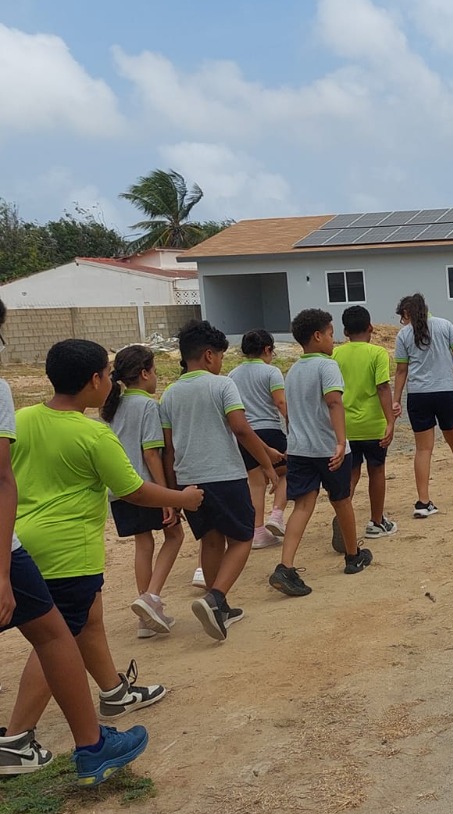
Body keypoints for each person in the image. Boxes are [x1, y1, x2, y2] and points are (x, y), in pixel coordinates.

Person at [3, 338, 205, 762]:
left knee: (88, 621)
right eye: (109, 374)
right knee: (55, 640)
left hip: (24, 540)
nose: (112, 382)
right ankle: (17, 739)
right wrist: (182, 499)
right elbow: (132, 490)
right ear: (94, 380)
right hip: (69, 552)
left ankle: (114, 692)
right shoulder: (94, 434)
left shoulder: (22, 419)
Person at [160, 319, 284, 642]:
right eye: (220, 356)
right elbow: (241, 428)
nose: (221, 362)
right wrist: (267, 464)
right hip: (224, 476)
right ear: (209, 355)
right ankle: (215, 597)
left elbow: (168, 448)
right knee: (242, 538)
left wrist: (172, 491)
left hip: (188, 481)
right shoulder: (222, 385)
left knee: (211, 540)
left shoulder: (169, 394)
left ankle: (220, 607)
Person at [270, 308, 372, 597]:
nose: (332, 339)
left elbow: (290, 412)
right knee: (342, 501)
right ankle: (353, 556)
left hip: (299, 449)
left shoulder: (293, 371)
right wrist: (340, 442)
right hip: (328, 448)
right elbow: (334, 403)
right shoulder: (327, 366)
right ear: (317, 336)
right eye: (329, 333)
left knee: (302, 506)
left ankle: (285, 566)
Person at [101, 345, 185, 639]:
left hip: (119, 488)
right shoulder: (149, 406)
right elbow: (152, 454)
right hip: (145, 487)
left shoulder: (111, 407)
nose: (157, 377)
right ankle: (151, 597)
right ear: (144, 373)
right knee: (175, 535)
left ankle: (147, 615)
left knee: (143, 543)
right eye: (155, 371)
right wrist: (166, 496)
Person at [393, 292, 453, 517]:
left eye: (403, 317)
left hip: (418, 395)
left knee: (423, 449)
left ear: (407, 313)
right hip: (446, 392)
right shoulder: (444, 325)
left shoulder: (404, 334)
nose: (402, 321)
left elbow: (401, 370)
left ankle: (423, 501)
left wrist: (396, 399)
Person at [333, 305, 396, 543]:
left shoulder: (335, 355)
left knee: (351, 472)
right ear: (370, 328)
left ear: (345, 331)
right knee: (377, 470)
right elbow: (382, 387)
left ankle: (343, 517)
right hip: (372, 423)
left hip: (346, 426)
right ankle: (376, 522)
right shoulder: (378, 353)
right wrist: (390, 421)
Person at [229, 329, 289, 548]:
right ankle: (277, 514)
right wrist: (292, 423)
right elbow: (280, 402)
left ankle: (258, 531)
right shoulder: (271, 372)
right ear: (267, 349)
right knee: (290, 470)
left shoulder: (232, 375)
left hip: (245, 434)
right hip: (269, 430)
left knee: (256, 482)